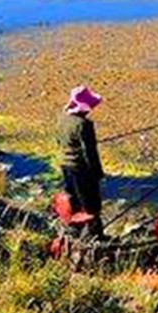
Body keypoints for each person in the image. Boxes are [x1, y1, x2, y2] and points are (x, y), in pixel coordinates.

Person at [57, 85, 105, 237]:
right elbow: (90, 153)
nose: (90, 110)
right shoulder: (84, 125)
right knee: (91, 205)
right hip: (81, 169)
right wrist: (98, 173)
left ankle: (74, 230)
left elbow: (60, 141)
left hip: (65, 166)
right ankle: (95, 236)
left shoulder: (62, 117)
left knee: (74, 200)